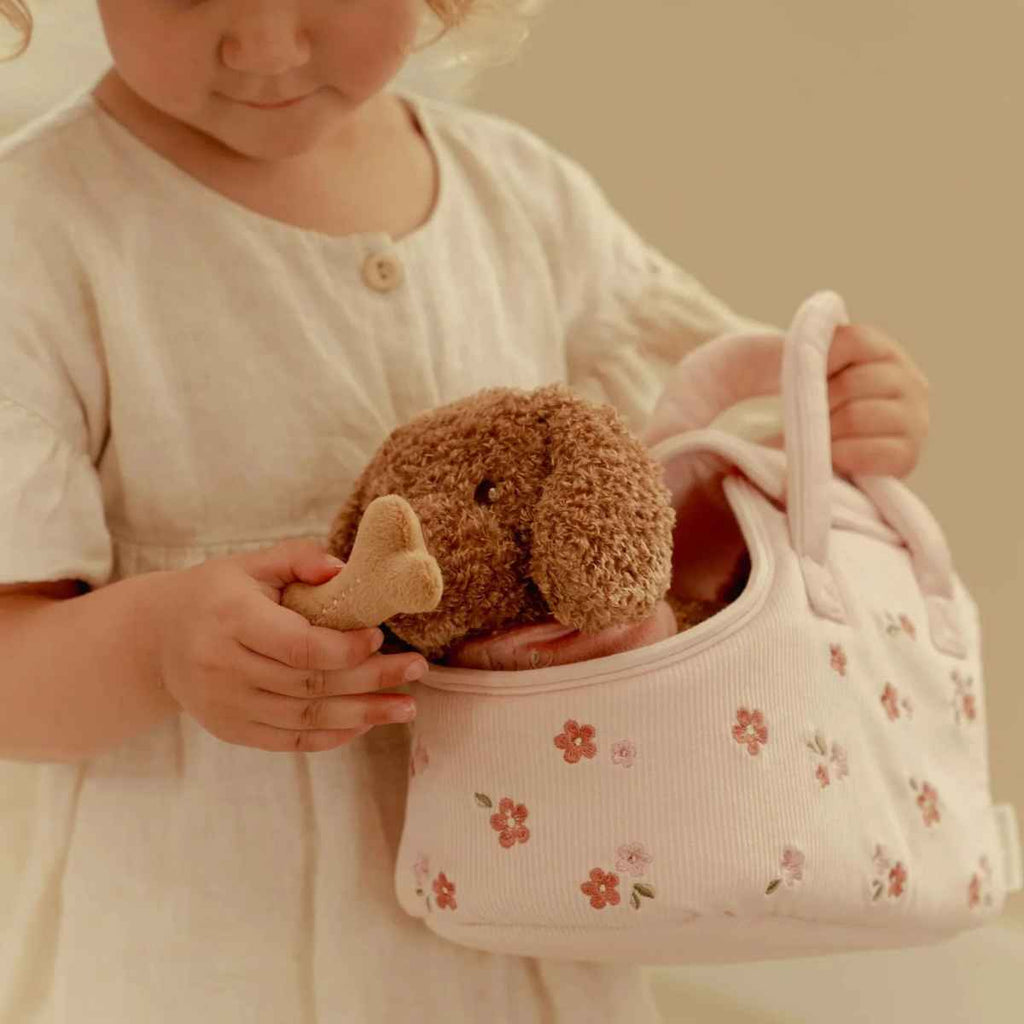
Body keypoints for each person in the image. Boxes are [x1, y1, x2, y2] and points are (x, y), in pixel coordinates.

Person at [0, 1, 931, 1020]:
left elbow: (672, 512)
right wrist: (156, 645)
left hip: (532, 931)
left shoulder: (524, 199)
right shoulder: (36, 231)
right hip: (200, 947)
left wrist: (826, 430)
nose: (265, 44)